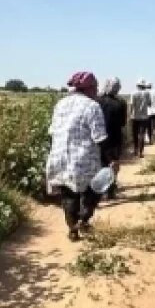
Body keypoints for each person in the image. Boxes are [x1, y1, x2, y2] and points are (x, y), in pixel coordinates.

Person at [45, 71, 108, 242]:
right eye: (95, 87)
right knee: (94, 190)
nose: (96, 90)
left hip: (60, 157)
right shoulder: (92, 106)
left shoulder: (60, 104)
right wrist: (109, 160)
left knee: (68, 194)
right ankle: (83, 219)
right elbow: (99, 137)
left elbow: (52, 131)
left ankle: (72, 229)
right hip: (84, 159)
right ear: (89, 88)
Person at [96, 77, 127, 199]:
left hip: (100, 137)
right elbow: (123, 123)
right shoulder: (121, 103)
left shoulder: (98, 101)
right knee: (114, 162)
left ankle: (102, 189)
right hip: (115, 137)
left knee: (102, 162)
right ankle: (111, 188)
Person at [129, 79, 153, 157]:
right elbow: (149, 104)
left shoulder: (134, 93)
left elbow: (131, 105)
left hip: (135, 116)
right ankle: (141, 152)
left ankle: (135, 149)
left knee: (135, 134)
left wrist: (130, 114)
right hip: (144, 117)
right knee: (142, 134)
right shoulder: (147, 93)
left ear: (137, 85)